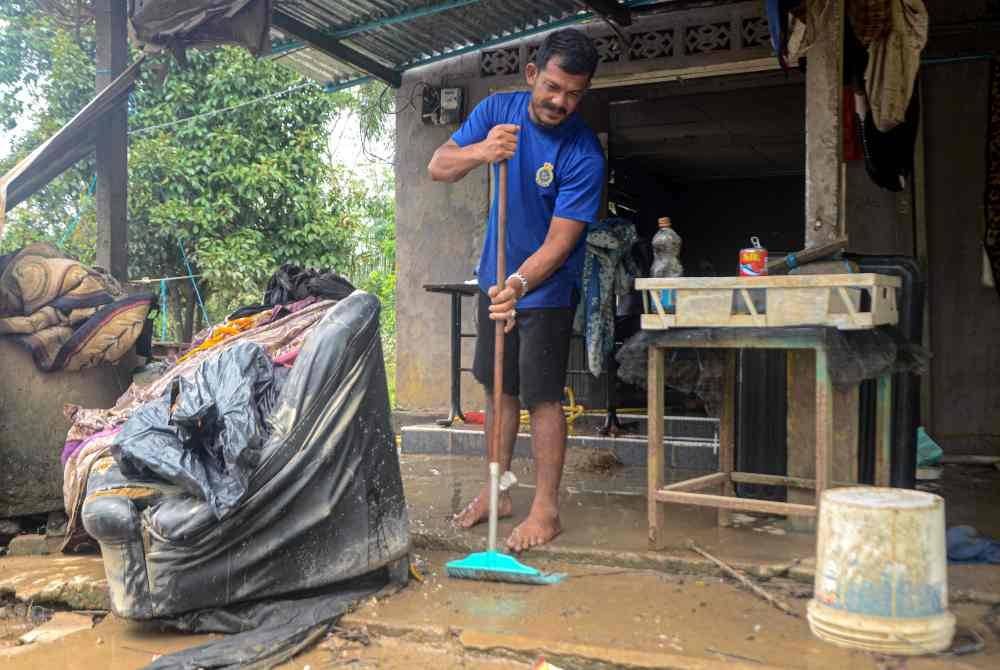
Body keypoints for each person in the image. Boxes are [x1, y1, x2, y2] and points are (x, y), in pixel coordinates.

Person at [427, 28, 605, 552]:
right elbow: (439, 166)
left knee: (543, 397)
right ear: (533, 75)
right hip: (494, 277)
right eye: (552, 87)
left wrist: (520, 283)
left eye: (574, 93)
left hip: (544, 291)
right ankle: (497, 492)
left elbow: (560, 242)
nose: (560, 102)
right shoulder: (498, 111)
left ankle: (546, 509)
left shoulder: (583, 153)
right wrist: (482, 150)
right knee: (497, 388)